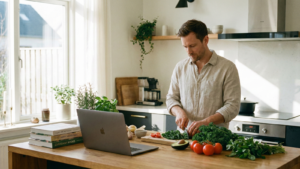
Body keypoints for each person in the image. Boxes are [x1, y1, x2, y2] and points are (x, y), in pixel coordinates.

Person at [166, 19, 241, 137]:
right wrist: (179, 112)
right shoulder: (180, 67)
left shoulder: (227, 68)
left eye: (192, 46)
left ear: (206, 40)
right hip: (184, 138)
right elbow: (171, 99)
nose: (188, 51)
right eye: (185, 47)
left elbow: (232, 106)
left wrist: (206, 122)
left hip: (215, 140)